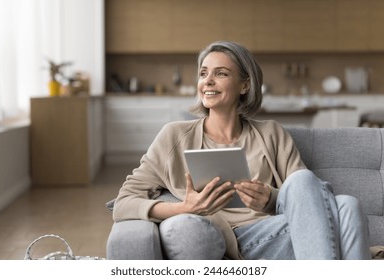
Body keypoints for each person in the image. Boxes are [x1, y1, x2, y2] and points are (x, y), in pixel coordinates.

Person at [112, 41, 371, 260]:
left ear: (244, 85)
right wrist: (184, 208)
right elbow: (123, 203)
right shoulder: (175, 135)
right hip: (231, 239)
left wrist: (270, 199)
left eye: (221, 73)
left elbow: (306, 197)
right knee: (342, 207)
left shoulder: (271, 132)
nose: (208, 81)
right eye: (203, 73)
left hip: (275, 231)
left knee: (344, 202)